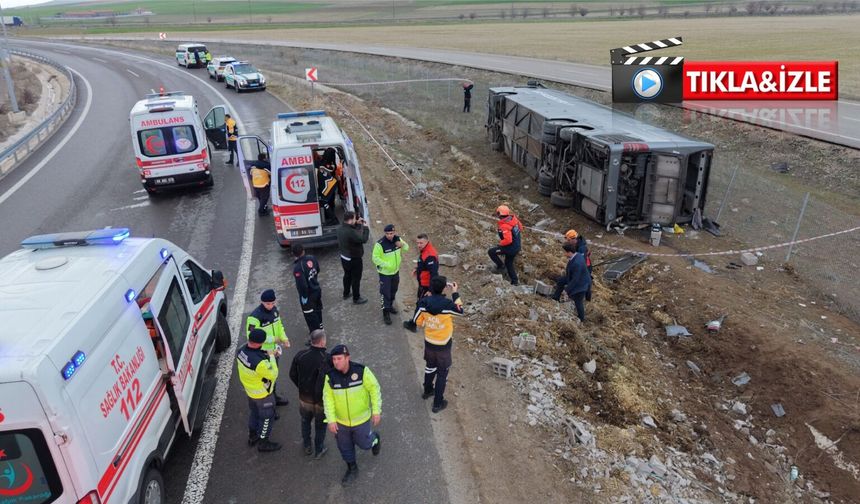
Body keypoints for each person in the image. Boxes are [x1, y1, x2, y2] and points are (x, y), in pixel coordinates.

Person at [322, 344, 382, 485]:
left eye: (339, 358)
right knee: (345, 447)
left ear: (347, 358)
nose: (336, 362)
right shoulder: (330, 377)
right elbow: (327, 399)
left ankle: (375, 439)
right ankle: (352, 468)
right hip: (341, 422)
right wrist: (331, 420)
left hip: (361, 420)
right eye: (334, 359)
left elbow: (374, 389)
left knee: (365, 444)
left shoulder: (362, 372)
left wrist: (376, 411)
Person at [403, 276, 463, 413]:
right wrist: (455, 292)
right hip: (444, 345)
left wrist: (427, 322)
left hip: (429, 343)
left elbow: (417, 322)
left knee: (430, 367)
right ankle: (437, 403)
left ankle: (428, 390)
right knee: (442, 373)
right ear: (444, 288)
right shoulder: (448, 305)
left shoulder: (424, 303)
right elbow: (460, 310)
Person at [237, 328, 282, 452]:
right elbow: (273, 374)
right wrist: (272, 356)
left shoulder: (241, 351)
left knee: (254, 414)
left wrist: (264, 354)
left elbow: (253, 356)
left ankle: (252, 436)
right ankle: (263, 442)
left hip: (250, 392)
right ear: (260, 343)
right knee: (267, 418)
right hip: (263, 395)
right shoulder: (260, 363)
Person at [289, 329, 330, 459]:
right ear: (322, 341)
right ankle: (319, 449)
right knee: (321, 426)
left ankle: (307, 445)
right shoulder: (327, 359)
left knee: (305, 421)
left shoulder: (300, 355)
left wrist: (301, 387)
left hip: (304, 398)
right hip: (321, 401)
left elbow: (292, 374)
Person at [246, 289, 290, 406]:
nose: (270, 306)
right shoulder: (254, 317)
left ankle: (274, 398)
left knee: (273, 376)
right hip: (262, 353)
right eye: (268, 304)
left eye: (273, 303)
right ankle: (268, 404)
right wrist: (273, 340)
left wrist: (284, 338)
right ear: (262, 302)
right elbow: (252, 336)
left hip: (273, 351)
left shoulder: (275, 311)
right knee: (265, 379)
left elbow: (279, 326)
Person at [372, 224, 409, 325]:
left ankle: (390, 305)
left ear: (394, 232)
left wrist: (402, 245)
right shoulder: (380, 244)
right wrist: (387, 265)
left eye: (391, 233)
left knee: (393, 290)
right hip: (385, 273)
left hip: (395, 272)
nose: (389, 235)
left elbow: (407, 248)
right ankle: (386, 313)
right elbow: (375, 258)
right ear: (385, 233)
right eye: (387, 234)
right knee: (385, 293)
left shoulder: (398, 240)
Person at [551, 243, 592, 322]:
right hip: (574, 278)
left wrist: (566, 290)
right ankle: (555, 297)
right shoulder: (577, 256)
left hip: (581, 284)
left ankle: (581, 318)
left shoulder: (577, 263)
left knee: (578, 301)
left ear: (569, 252)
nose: (564, 254)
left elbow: (575, 280)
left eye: (565, 252)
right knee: (561, 281)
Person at [337, 211, 370, 305]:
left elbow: (351, 229)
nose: (356, 220)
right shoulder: (350, 232)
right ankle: (356, 298)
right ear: (351, 220)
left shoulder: (339, 228)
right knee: (356, 278)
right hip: (354, 258)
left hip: (344, 257)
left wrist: (357, 223)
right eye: (355, 218)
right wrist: (365, 228)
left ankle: (346, 293)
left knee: (347, 275)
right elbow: (362, 239)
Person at [487, 205, 523, 286]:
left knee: (491, 252)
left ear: (500, 214)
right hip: (516, 246)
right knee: (509, 262)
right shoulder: (514, 219)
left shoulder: (504, 226)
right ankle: (515, 281)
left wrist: (500, 243)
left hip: (510, 247)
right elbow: (521, 228)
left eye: (497, 213)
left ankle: (500, 266)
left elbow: (508, 240)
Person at [292, 244, 323, 333]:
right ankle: (320, 329)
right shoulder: (312, 258)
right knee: (318, 310)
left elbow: (302, 286)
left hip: (309, 296)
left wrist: (304, 296)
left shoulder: (298, 267)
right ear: (303, 250)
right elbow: (317, 269)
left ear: (293, 254)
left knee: (310, 316)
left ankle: (316, 336)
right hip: (316, 290)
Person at [565, 229, 593, 301]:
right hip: (583, 265)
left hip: (586, 266)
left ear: (574, 239)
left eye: (569, 240)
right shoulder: (577, 244)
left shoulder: (581, 248)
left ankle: (588, 299)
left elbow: (581, 261)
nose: (568, 242)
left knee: (586, 282)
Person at [413, 233, 439, 301]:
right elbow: (425, 265)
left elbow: (434, 273)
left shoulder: (430, 255)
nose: (419, 245)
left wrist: (431, 290)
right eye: (417, 243)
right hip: (423, 284)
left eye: (421, 243)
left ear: (427, 241)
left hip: (426, 287)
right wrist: (418, 269)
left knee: (422, 306)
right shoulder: (425, 250)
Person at [317, 148, 340, 225]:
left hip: (328, 185)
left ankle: (333, 219)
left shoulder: (323, 164)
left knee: (324, 202)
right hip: (329, 184)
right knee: (327, 201)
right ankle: (331, 216)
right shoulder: (331, 165)